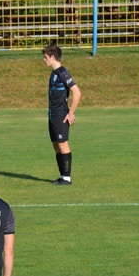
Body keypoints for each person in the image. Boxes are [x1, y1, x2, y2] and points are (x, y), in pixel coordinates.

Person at [43, 44, 81, 185]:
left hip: (61, 115)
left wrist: (71, 113)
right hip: (52, 115)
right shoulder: (54, 73)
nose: (44, 60)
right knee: (56, 145)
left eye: (46, 57)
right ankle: (62, 176)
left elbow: (77, 92)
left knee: (63, 144)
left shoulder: (63, 72)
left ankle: (67, 177)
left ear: (53, 57)